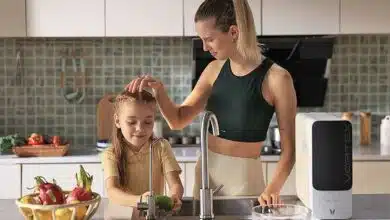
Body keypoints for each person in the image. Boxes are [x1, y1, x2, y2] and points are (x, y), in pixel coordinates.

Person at [126, 0, 296, 206]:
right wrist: (159, 91)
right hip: (206, 172)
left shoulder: (277, 78)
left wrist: (272, 190)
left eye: (209, 39)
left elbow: (289, 152)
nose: (205, 47)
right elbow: (178, 120)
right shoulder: (213, 70)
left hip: (244, 179)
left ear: (233, 32)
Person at [101, 90, 184, 212]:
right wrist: (140, 200)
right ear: (117, 121)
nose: (140, 129)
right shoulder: (111, 154)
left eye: (147, 122)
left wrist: (175, 196)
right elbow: (112, 191)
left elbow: (175, 183)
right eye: (131, 122)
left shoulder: (161, 146)